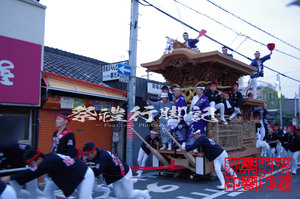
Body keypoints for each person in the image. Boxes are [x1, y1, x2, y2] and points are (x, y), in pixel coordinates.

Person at [0, 148, 94, 199]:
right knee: (48, 191)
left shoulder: (48, 161)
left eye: (31, 164)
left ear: (39, 159)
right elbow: (33, 171)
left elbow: (31, 173)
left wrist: (10, 177)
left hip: (85, 174)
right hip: (76, 175)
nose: (32, 167)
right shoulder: (48, 158)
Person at [82, 142, 150, 199]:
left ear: (94, 152)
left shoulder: (102, 156)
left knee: (130, 195)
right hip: (116, 176)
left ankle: (144, 193)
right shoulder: (97, 154)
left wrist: (84, 172)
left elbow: (97, 171)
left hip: (124, 173)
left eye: (87, 155)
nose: (87, 157)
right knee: (119, 196)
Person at [45, 112, 78, 199]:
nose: (56, 121)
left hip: (61, 165)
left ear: (65, 121)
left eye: (59, 119)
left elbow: (70, 152)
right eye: (56, 119)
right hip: (54, 163)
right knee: (49, 190)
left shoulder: (69, 134)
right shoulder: (55, 133)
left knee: (48, 190)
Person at [187, 84, 210, 148]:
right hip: (194, 115)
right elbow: (191, 107)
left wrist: (201, 112)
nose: (196, 91)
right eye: (196, 90)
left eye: (198, 90)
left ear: (202, 90)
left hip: (201, 116)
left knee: (198, 127)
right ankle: (191, 145)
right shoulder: (194, 98)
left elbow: (207, 108)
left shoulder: (205, 99)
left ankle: (198, 146)